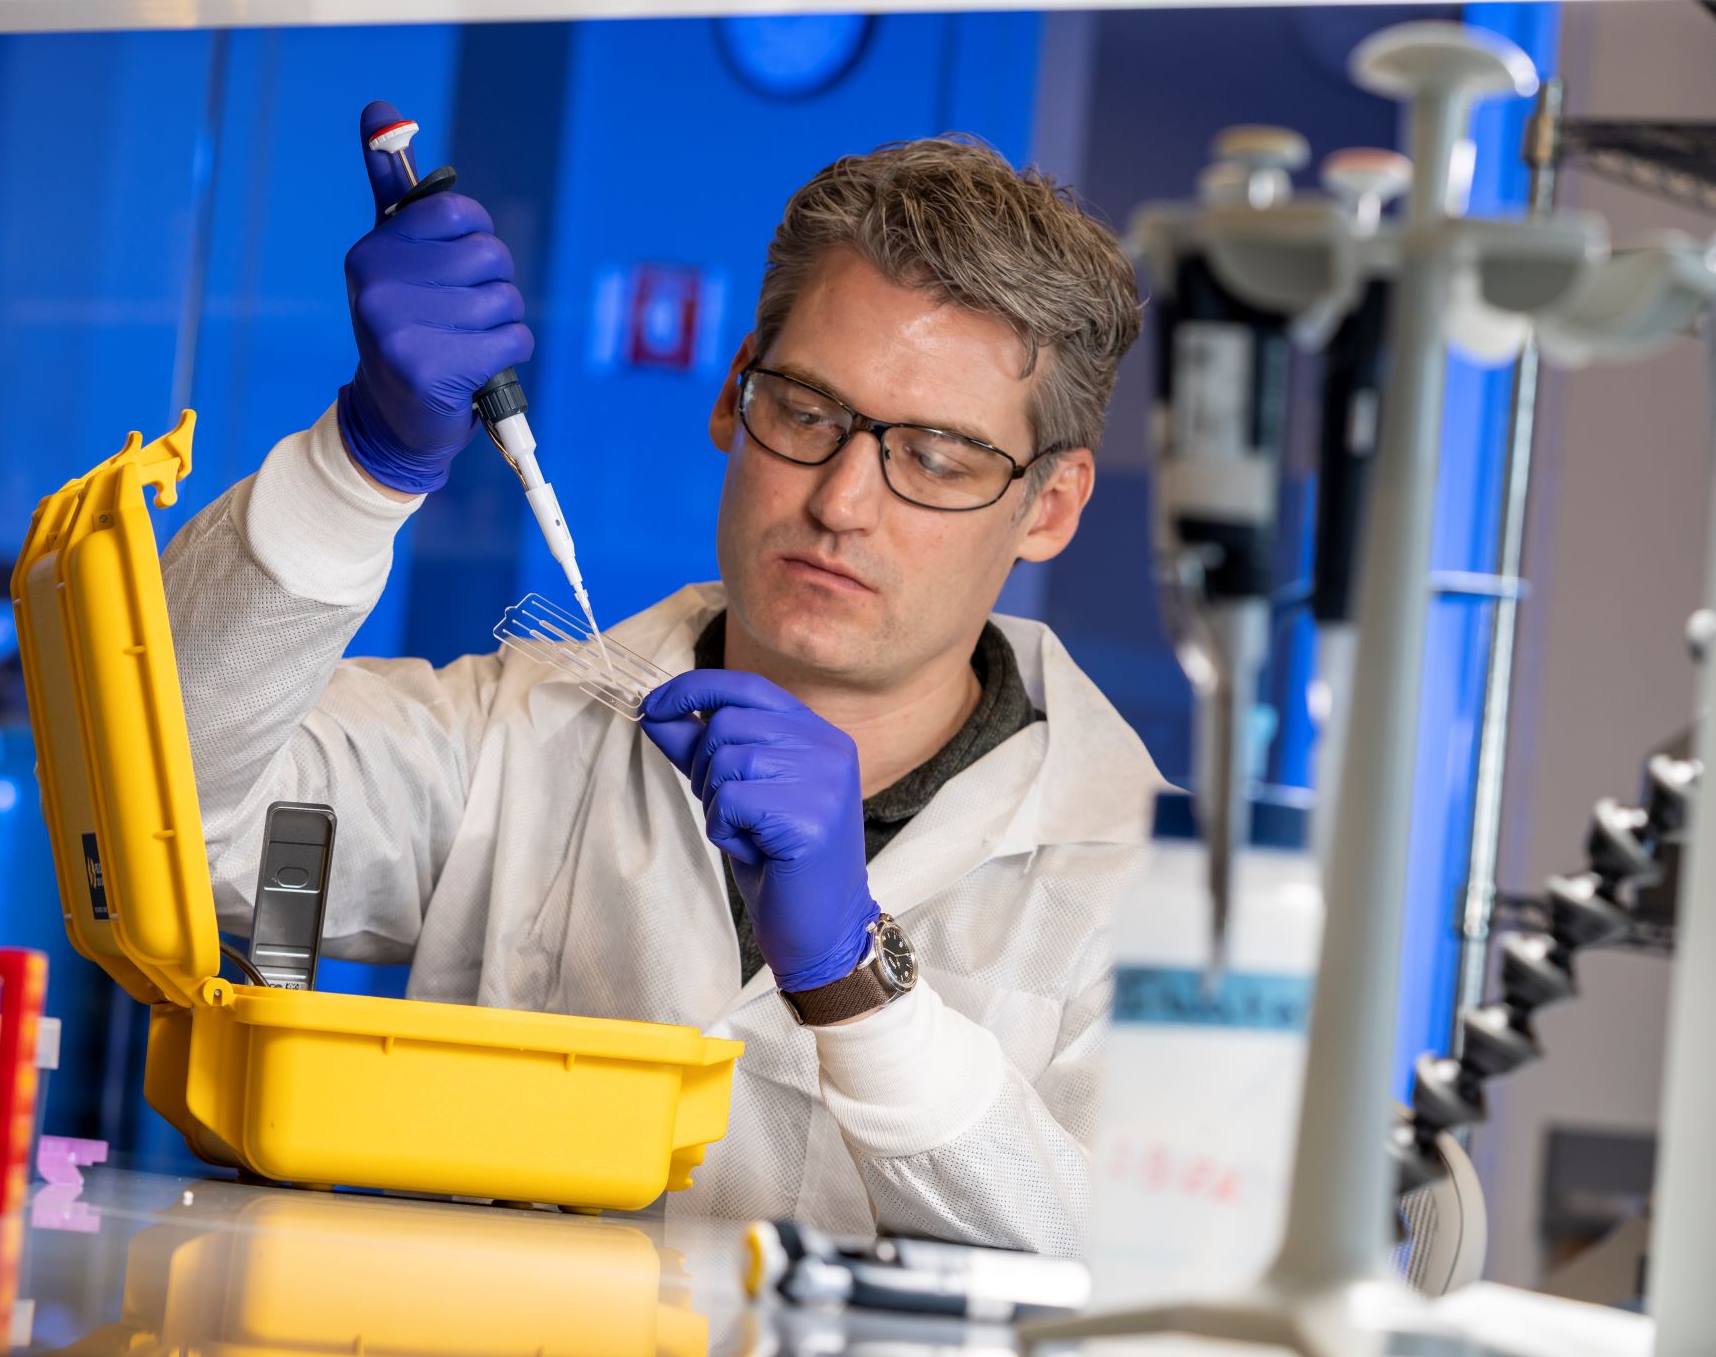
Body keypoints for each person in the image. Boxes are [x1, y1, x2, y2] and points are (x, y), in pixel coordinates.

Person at [161, 101, 1163, 1253]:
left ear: (1050, 505)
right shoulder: (518, 732)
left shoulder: (1136, 888)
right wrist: (357, 470)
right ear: (733, 392)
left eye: (935, 459)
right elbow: (166, 811)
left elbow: (1159, 1281)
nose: (840, 502)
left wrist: (857, 986)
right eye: (804, 412)